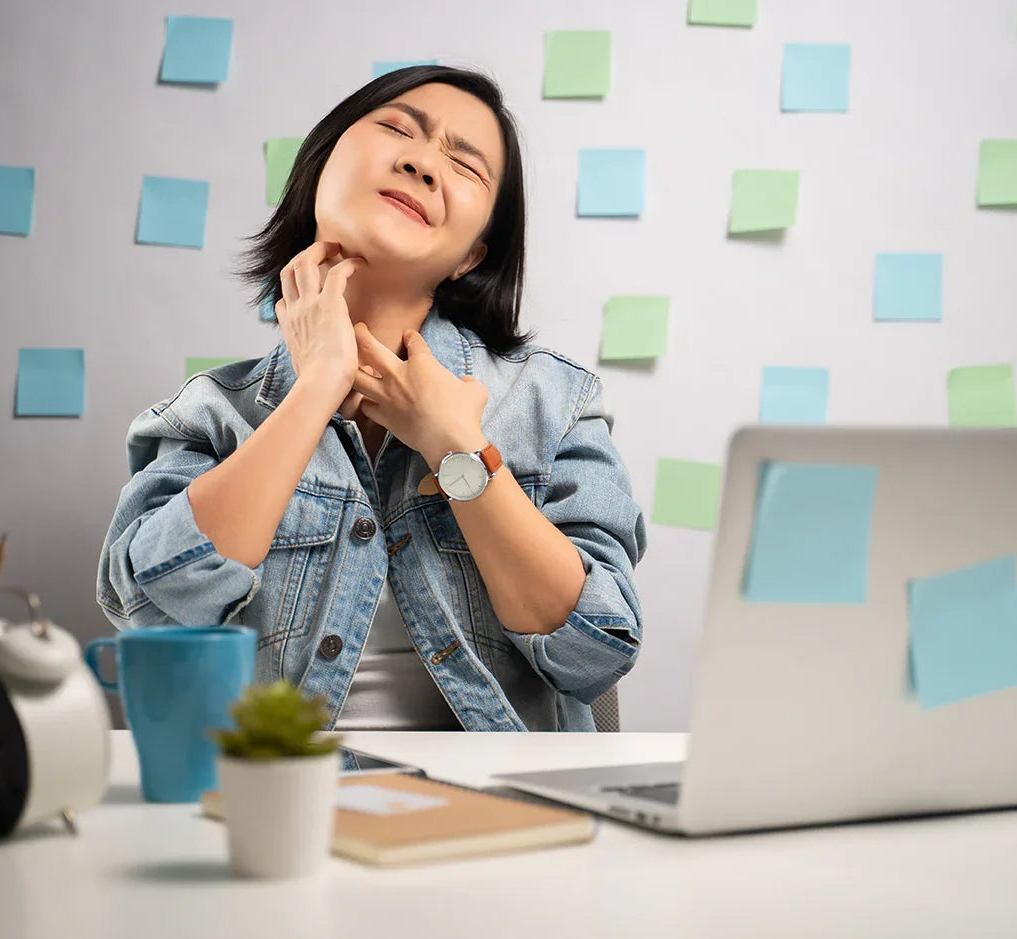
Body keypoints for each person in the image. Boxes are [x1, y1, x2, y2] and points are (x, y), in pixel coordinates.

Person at [96, 65, 646, 732]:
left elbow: (597, 651)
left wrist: (459, 449)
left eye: (465, 166)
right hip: (280, 803)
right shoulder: (213, 413)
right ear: (321, 168)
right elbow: (152, 612)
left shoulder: (551, 403)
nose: (421, 162)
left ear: (474, 254)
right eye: (396, 129)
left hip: (498, 814)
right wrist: (315, 389)